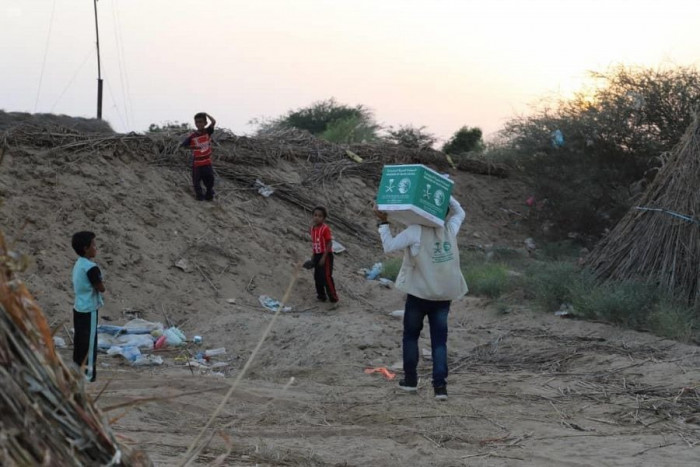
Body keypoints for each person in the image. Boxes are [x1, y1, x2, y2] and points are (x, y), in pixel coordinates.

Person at [373, 196, 468, 400]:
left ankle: (410, 381)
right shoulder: (450, 229)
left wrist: (383, 223)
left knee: (411, 336)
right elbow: (460, 212)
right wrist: (446, 192)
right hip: (442, 297)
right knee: (439, 342)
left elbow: (389, 246)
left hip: (418, 296)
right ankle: (440, 388)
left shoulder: (416, 230)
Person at [71, 231, 105, 382]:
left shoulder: (78, 264)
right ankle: (88, 375)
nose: (96, 248)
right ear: (86, 248)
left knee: (79, 342)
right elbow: (101, 287)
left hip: (78, 307)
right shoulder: (91, 267)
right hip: (89, 310)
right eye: (93, 245)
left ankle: (77, 372)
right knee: (90, 344)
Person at [303, 206, 339, 309]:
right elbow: (315, 244)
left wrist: (324, 257)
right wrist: (313, 257)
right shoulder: (312, 229)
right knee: (317, 276)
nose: (317, 218)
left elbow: (329, 243)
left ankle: (334, 299)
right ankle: (321, 296)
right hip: (317, 254)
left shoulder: (325, 229)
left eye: (320, 216)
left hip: (326, 255)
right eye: (315, 215)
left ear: (324, 218)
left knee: (326, 276)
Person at [181, 112, 217, 201]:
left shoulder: (207, 132)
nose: (198, 124)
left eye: (200, 122)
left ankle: (209, 195)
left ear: (205, 123)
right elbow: (183, 145)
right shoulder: (192, 136)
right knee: (196, 181)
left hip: (207, 162)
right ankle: (200, 197)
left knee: (210, 179)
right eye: (196, 122)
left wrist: (206, 114)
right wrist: (194, 147)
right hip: (197, 163)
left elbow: (213, 121)